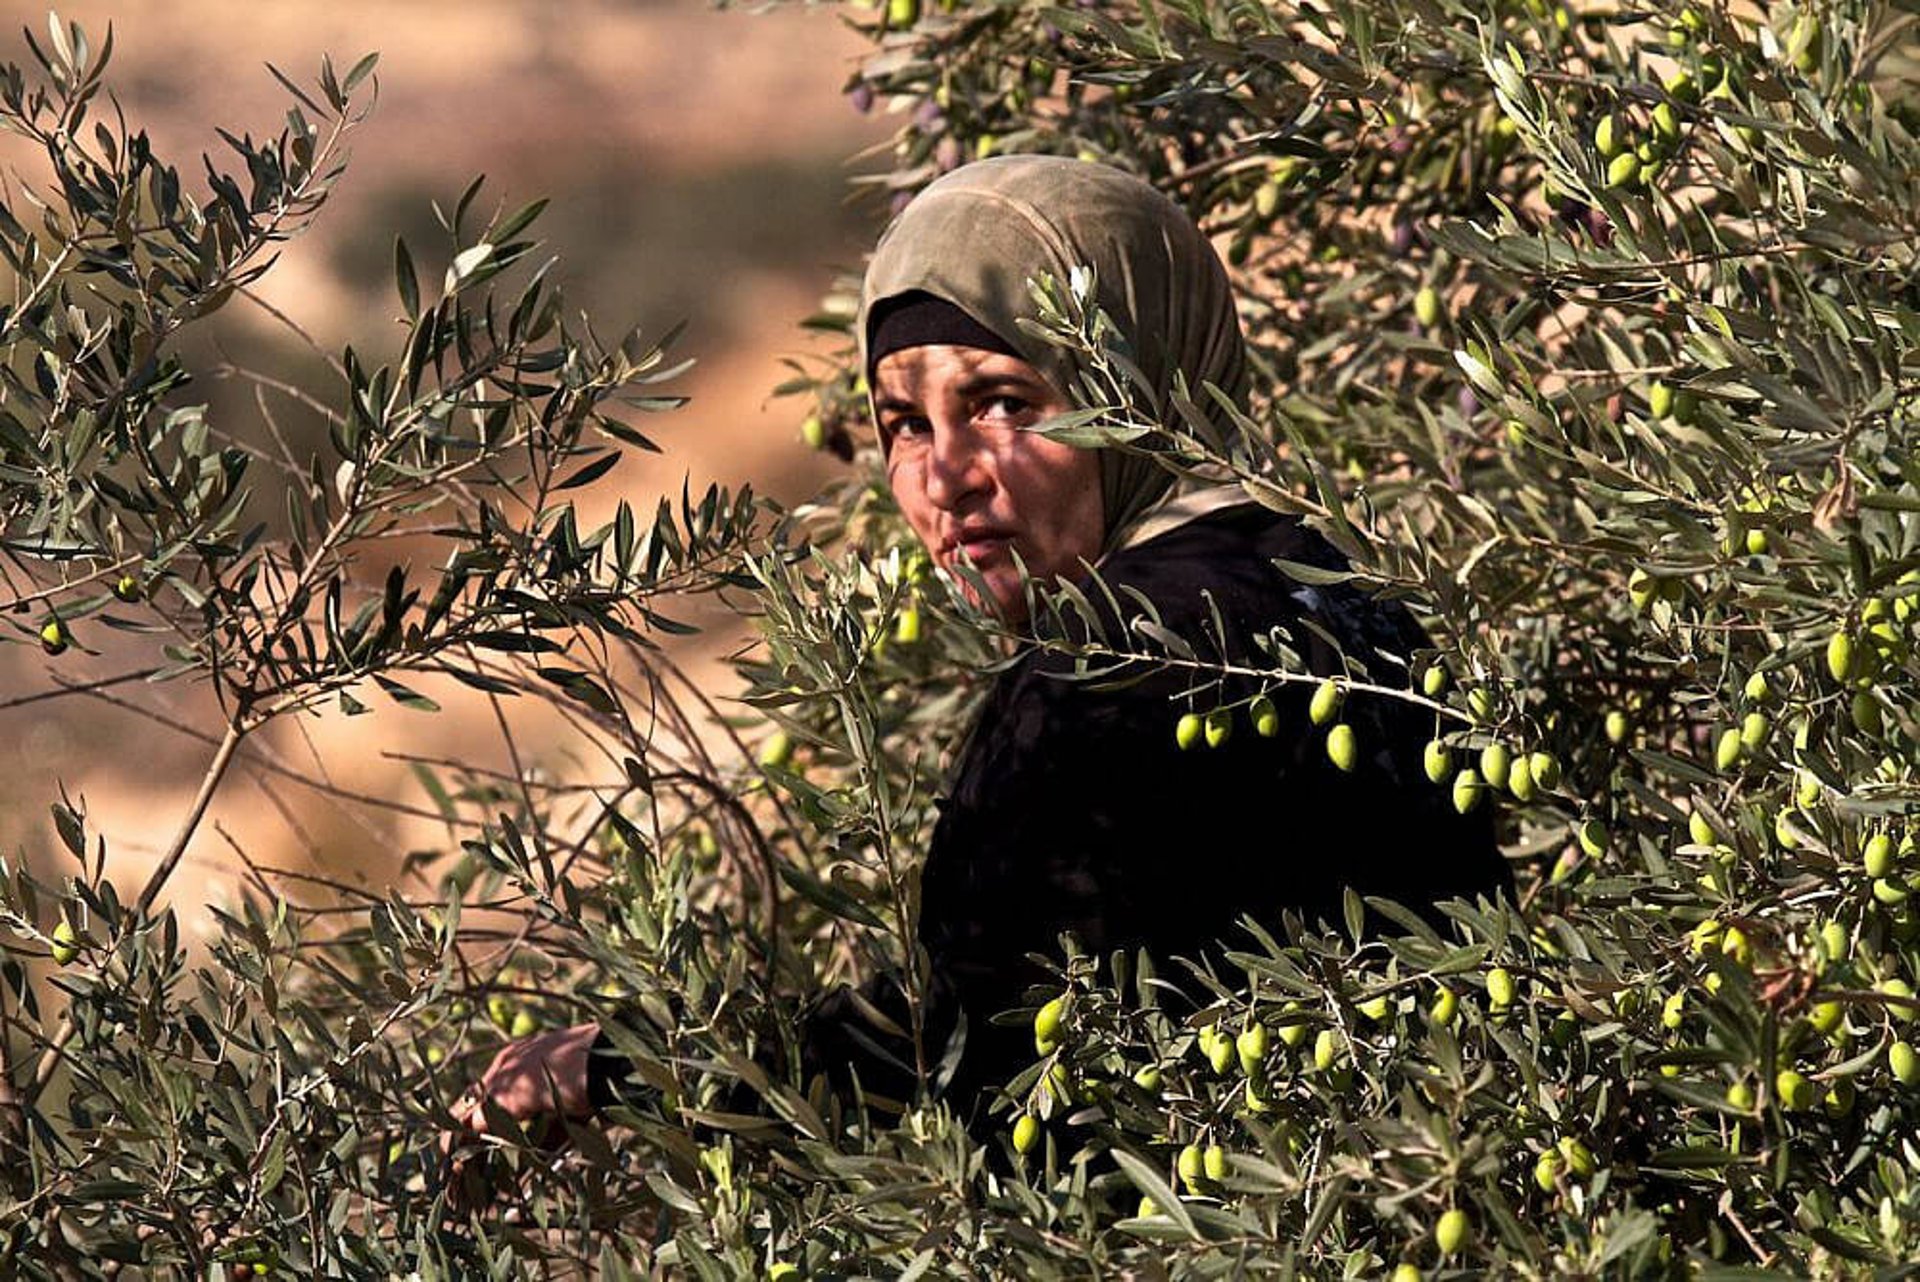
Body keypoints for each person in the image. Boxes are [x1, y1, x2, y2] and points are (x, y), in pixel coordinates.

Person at [449, 155, 1509, 1147]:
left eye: (1004, 403)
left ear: (1140, 383)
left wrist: (621, 1069)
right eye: (905, 423)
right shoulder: (1337, 579)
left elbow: (955, 1058)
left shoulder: (1101, 673)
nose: (944, 475)